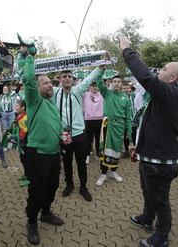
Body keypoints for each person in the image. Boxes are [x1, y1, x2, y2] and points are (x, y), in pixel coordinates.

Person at [120, 36, 178, 247]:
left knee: (161, 201)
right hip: (151, 157)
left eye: (163, 68)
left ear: (172, 79)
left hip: (159, 163)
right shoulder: (173, 96)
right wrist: (138, 146)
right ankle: (146, 219)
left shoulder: (169, 93)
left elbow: (145, 77)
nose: (158, 71)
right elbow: (152, 124)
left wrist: (127, 50)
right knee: (148, 193)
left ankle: (161, 237)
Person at [23, 48, 64, 246]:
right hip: (37, 153)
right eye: (46, 82)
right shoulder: (34, 101)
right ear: (37, 88)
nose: (50, 85)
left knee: (53, 186)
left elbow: (56, 127)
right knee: (37, 189)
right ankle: (31, 221)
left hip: (54, 154)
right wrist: (30, 57)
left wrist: (63, 136)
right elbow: (29, 79)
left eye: (50, 82)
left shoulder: (52, 105)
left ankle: (46, 213)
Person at [53, 67, 104, 202]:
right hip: (64, 135)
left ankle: (83, 187)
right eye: (64, 76)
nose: (67, 78)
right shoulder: (55, 92)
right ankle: (69, 185)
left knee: (81, 162)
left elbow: (89, 80)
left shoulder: (77, 90)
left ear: (73, 79)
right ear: (59, 79)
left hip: (80, 134)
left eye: (70, 76)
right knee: (67, 162)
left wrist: (100, 68)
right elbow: (39, 85)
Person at [95, 75, 131, 186]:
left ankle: (114, 171)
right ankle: (104, 174)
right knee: (105, 150)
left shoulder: (126, 98)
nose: (116, 83)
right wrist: (101, 69)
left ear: (121, 84)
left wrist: (128, 131)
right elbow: (99, 83)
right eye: (114, 81)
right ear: (111, 83)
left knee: (116, 150)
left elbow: (128, 117)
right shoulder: (107, 94)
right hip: (107, 125)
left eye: (118, 82)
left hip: (119, 127)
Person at [83, 82, 104, 164]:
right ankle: (87, 155)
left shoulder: (102, 94)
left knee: (99, 138)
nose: (95, 87)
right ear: (90, 87)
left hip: (99, 119)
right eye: (93, 86)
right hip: (89, 119)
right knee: (88, 139)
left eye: (96, 86)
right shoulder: (86, 94)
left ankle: (98, 154)